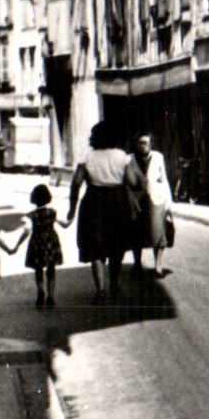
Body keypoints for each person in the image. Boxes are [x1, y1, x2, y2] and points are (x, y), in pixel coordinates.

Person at [64, 120, 130, 300]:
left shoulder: (88, 157)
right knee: (116, 246)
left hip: (94, 202)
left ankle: (100, 290)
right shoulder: (121, 156)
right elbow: (131, 181)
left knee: (96, 246)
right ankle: (114, 285)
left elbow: (76, 184)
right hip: (117, 201)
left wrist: (71, 210)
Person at [124, 134, 173, 279]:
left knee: (158, 232)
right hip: (136, 201)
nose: (143, 145)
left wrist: (168, 203)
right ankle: (137, 264)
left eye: (146, 142)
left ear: (151, 144)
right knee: (136, 233)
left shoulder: (158, 157)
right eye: (140, 142)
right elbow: (126, 182)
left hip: (156, 199)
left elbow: (164, 179)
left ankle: (158, 266)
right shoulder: (129, 159)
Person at [24, 182, 64, 308]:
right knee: (51, 269)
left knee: (38, 268)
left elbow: (25, 230)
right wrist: (72, 215)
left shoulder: (31, 215)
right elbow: (65, 224)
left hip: (37, 242)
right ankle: (50, 296)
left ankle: (40, 290)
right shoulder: (52, 213)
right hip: (51, 242)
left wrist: (16, 246)